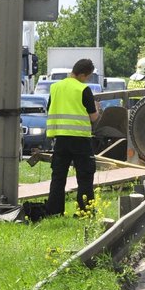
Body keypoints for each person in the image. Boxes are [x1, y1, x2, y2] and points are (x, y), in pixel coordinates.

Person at [46, 58, 100, 216]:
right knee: (84, 176)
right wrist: (97, 109)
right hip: (80, 139)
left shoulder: (55, 87)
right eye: (88, 77)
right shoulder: (83, 89)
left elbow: (51, 108)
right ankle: (84, 211)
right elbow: (93, 117)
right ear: (83, 75)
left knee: (58, 177)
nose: (87, 80)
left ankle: (54, 211)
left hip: (60, 139)